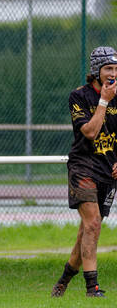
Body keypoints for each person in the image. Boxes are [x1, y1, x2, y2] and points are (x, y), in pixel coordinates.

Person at [51, 46, 117, 298]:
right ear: (96, 72)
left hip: (107, 172)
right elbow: (89, 132)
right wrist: (104, 101)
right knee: (93, 223)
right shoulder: (79, 96)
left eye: (115, 69)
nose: (112, 74)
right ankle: (93, 288)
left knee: (87, 231)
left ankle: (63, 281)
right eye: (107, 69)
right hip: (83, 167)